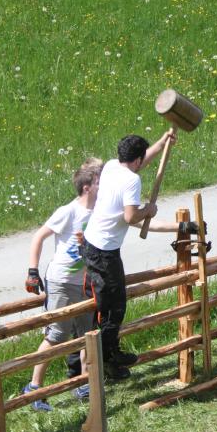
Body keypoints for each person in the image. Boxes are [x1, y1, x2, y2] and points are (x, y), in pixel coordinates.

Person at [82, 131, 186, 380]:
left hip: (94, 243)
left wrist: (161, 144)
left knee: (112, 304)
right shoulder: (132, 181)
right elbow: (130, 217)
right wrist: (147, 210)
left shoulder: (110, 166)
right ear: (137, 160)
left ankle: (110, 352)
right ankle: (107, 359)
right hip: (104, 251)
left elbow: (141, 162)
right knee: (113, 308)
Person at [22, 158, 103, 410]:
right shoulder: (68, 211)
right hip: (61, 281)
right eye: (100, 181)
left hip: (85, 281)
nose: (105, 185)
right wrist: (32, 270)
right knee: (57, 334)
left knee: (86, 334)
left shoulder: (100, 210)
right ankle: (34, 387)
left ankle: (83, 383)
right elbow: (39, 237)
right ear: (87, 186)